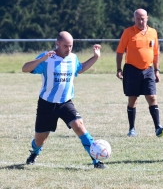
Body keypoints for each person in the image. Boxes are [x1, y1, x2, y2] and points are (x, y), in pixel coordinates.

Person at [22, 31, 107, 169]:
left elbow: (80, 68)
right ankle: (35, 152)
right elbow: (25, 68)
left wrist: (95, 57)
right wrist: (40, 59)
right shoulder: (47, 58)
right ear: (57, 44)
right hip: (46, 104)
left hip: (65, 102)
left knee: (79, 125)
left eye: (71, 46)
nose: (68, 49)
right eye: (65, 46)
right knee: (40, 140)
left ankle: (96, 160)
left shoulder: (73, 58)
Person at [116, 8, 163, 137]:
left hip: (148, 69)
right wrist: (118, 69)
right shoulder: (128, 32)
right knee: (133, 99)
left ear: (147, 18)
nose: (141, 21)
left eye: (143, 18)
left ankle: (158, 128)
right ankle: (132, 129)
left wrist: (157, 70)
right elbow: (119, 52)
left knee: (152, 97)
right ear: (134, 19)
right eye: (138, 19)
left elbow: (156, 53)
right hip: (132, 69)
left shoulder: (153, 32)